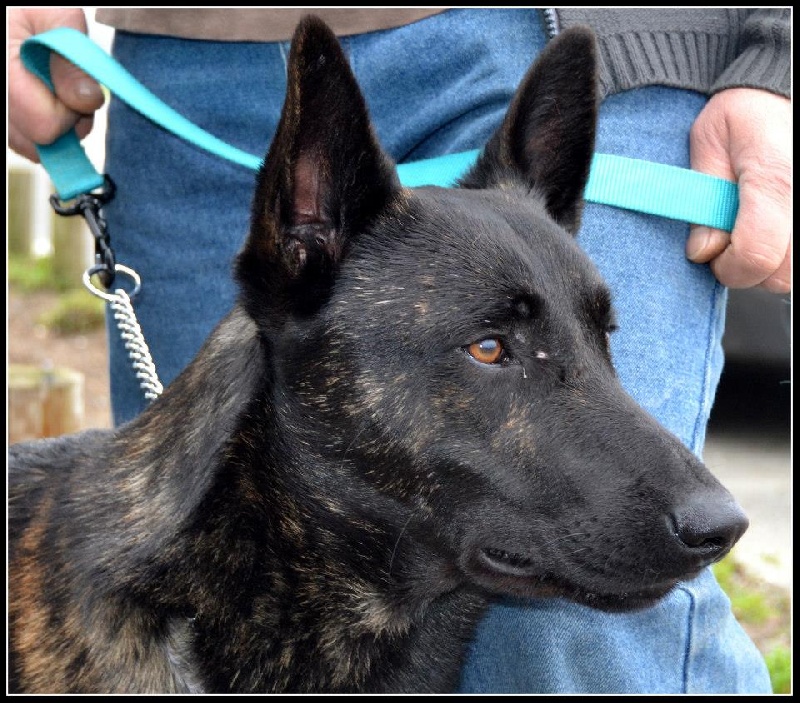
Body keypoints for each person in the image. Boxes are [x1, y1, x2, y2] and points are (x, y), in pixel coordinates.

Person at [8, 7, 790, 694]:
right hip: (192, 57)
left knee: (575, 638)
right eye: (494, 347)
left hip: (563, 30)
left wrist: (780, 62)